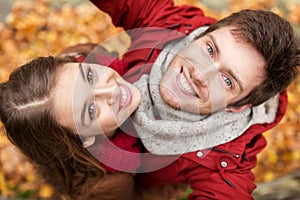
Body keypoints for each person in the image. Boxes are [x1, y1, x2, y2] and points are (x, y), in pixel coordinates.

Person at [88, 0, 300, 199]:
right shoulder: (169, 25)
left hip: (143, 185)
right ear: (201, 35)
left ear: (238, 106)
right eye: (209, 50)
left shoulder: (222, 158)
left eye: (226, 81)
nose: (199, 74)